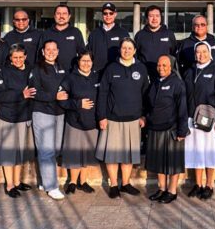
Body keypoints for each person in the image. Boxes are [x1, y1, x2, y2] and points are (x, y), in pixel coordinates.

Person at [95, 37, 149, 198]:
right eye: (124, 48)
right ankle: (113, 185)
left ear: (135, 50)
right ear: (120, 50)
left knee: (129, 155)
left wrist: (144, 115)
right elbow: (102, 93)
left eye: (129, 48)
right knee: (112, 155)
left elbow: (146, 94)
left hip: (134, 119)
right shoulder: (111, 68)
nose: (126, 51)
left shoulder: (141, 68)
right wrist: (102, 116)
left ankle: (125, 183)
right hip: (112, 118)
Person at [183, 41, 215, 201]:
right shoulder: (189, 71)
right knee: (196, 152)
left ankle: (210, 184)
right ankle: (198, 184)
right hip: (192, 119)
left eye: (204, 51)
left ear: (210, 53)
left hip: (211, 119)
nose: (201, 55)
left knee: (210, 152)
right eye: (198, 52)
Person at [144, 55, 188, 204]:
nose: (161, 68)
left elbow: (183, 108)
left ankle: (172, 191)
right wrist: (146, 117)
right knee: (158, 161)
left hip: (171, 129)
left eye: (164, 65)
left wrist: (182, 131)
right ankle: (162, 189)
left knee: (173, 162)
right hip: (154, 128)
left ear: (171, 67)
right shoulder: (155, 82)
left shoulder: (177, 83)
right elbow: (148, 104)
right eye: (159, 65)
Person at [0, 44, 35, 198]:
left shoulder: (31, 71)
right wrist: (20, 95)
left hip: (25, 117)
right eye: (15, 57)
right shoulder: (3, 73)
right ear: (10, 58)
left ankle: (17, 182)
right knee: (9, 153)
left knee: (20, 152)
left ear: (25, 57)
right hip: (9, 118)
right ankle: (10, 185)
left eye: (20, 57)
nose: (18, 60)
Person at [28, 39, 67, 200]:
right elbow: (34, 92)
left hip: (59, 112)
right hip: (42, 112)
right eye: (48, 50)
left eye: (54, 49)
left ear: (58, 51)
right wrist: (54, 96)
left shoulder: (62, 67)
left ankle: (44, 180)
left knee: (56, 149)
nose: (51, 52)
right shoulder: (36, 69)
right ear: (43, 52)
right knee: (46, 150)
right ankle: (51, 186)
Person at [57, 50, 100, 195]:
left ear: (92, 62)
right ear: (78, 62)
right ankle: (73, 182)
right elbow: (62, 101)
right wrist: (78, 104)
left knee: (87, 153)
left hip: (92, 122)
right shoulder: (70, 78)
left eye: (88, 61)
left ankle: (83, 181)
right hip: (74, 121)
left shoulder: (97, 77)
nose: (86, 64)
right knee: (74, 154)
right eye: (83, 61)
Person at [135, 5, 177, 81]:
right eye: (151, 16)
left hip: (165, 76)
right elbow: (136, 56)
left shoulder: (169, 34)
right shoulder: (140, 35)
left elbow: (173, 54)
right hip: (145, 76)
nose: (154, 19)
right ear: (147, 18)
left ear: (161, 18)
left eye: (157, 16)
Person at [40, 4, 85, 72]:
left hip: (71, 73)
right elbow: (40, 55)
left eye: (64, 13)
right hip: (50, 73)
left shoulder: (76, 32)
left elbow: (82, 54)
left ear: (69, 16)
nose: (61, 16)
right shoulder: (46, 33)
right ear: (54, 16)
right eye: (58, 13)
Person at [87, 2, 129, 73]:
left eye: (111, 13)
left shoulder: (123, 33)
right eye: (105, 13)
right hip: (97, 73)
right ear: (102, 15)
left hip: (117, 73)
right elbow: (88, 53)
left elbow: (129, 53)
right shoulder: (94, 33)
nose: (108, 16)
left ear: (115, 14)